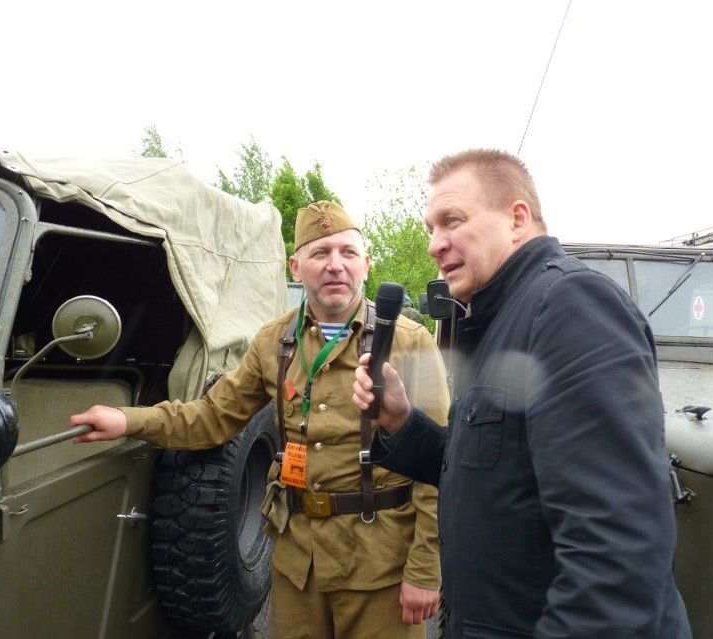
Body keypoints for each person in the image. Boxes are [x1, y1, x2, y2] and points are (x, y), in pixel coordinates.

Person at [352, 149, 693, 638]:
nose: (433, 243)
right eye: (430, 227)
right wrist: (401, 422)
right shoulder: (502, 318)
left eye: (452, 220)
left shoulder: (569, 306)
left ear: (517, 219)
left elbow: (616, 551)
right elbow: (495, 471)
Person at [70, 201, 450, 638]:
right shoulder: (275, 341)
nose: (334, 266)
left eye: (347, 253)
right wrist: (127, 419)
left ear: (366, 263)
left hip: (379, 564)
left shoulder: (408, 342)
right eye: (319, 253)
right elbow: (213, 417)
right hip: (297, 563)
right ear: (296, 265)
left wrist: (425, 571)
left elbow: (436, 464)